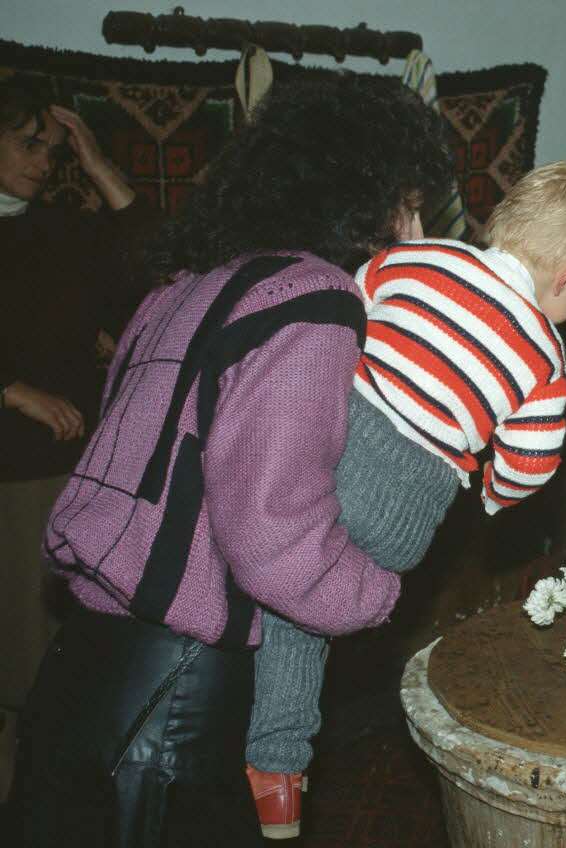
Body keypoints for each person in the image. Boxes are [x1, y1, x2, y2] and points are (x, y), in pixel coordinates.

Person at [12, 74, 454, 847]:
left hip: (81, 667)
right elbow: (272, 536)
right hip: (176, 692)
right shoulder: (313, 300)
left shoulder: (185, 288)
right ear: (364, 193)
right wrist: (378, 595)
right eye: (409, 204)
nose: (415, 229)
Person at [244, 159, 566, 838]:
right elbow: (531, 466)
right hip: (408, 507)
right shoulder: (546, 356)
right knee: (312, 610)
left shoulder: (418, 259)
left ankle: (272, 759)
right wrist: (494, 496)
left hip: (325, 447)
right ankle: (285, 755)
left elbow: (347, 307)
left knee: (281, 597)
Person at [0, 74, 145, 801]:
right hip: (13, 465)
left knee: (57, 653)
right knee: (18, 655)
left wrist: (98, 163)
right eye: (30, 143)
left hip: (69, 463)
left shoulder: (58, 230)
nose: (44, 161)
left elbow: (155, 271)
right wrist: (12, 389)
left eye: (54, 150)